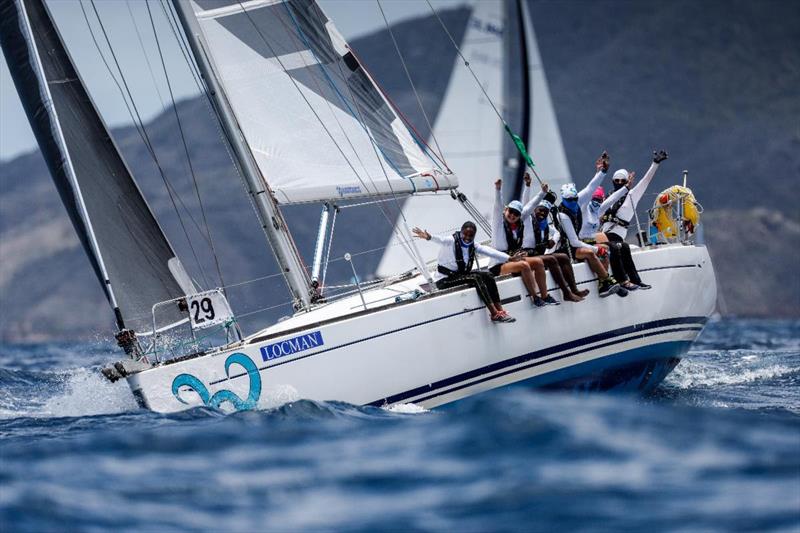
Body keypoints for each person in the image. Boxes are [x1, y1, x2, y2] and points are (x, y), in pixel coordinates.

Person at [413, 222, 517, 323]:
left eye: (470, 235)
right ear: (461, 232)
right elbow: (441, 240)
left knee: (488, 275)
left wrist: (509, 258)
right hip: (444, 280)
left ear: (474, 236)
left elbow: (489, 251)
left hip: (458, 276)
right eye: (465, 234)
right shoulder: (451, 240)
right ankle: (494, 314)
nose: (467, 238)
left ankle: (501, 311)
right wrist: (429, 237)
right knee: (475, 278)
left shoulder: (473, 245)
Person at [599, 150, 669, 290]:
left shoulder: (632, 195)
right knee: (619, 247)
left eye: (622, 181)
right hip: (604, 235)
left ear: (627, 182)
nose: (619, 183)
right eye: (616, 180)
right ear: (613, 181)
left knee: (623, 247)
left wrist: (655, 164)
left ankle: (635, 281)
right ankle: (622, 281)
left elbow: (645, 181)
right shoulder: (607, 199)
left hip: (617, 235)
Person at [520, 174, 588, 302]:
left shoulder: (545, 226)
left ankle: (574, 289)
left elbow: (557, 232)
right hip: (528, 256)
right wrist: (528, 186)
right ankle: (566, 293)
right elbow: (526, 205)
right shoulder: (528, 221)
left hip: (538, 256)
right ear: (535, 210)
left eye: (545, 212)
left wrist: (553, 241)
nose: (542, 213)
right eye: (540, 210)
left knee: (563, 257)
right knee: (551, 259)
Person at [492, 179, 555, 306]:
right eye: (511, 212)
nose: (512, 215)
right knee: (524, 265)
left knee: (538, 262)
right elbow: (497, 207)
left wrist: (542, 193)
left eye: (516, 213)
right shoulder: (498, 223)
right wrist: (498, 190)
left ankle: (545, 295)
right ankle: (535, 297)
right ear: (506, 211)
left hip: (515, 259)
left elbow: (531, 206)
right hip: (499, 263)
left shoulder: (519, 221)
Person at [554, 183, 622, 297]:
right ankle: (607, 278)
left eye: (575, 199)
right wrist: (595, 249)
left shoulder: (577, 207)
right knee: (591, 253)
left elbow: (596, 191)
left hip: (579, 245)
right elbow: (574, 242)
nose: (573, 202)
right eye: (570, 200)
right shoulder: (564, 214)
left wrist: (602, 172)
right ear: (564, 199)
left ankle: (603, 285)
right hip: (568, 248)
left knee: (605, 250)